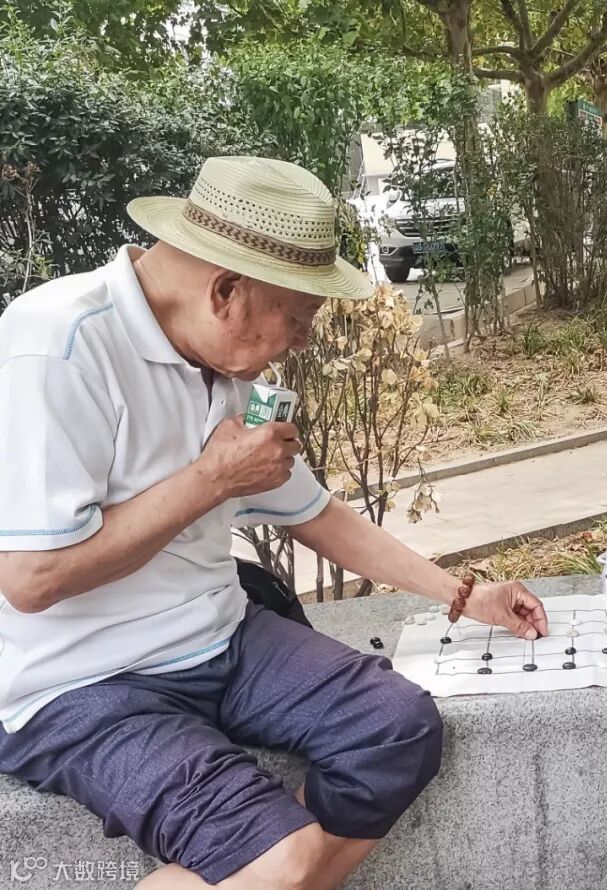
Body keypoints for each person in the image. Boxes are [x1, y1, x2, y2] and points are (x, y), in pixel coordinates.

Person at [0, 156, 550, 890]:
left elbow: (313, 512)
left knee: (397, 728)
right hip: (81, 682)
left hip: (221, 640)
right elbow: (31, 579)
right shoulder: (57, 343)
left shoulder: (223, 365)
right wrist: (210, 481)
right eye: (298, 318)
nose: (304, 341)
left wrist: (463, 594)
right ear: (226, 291)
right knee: (277, 859)